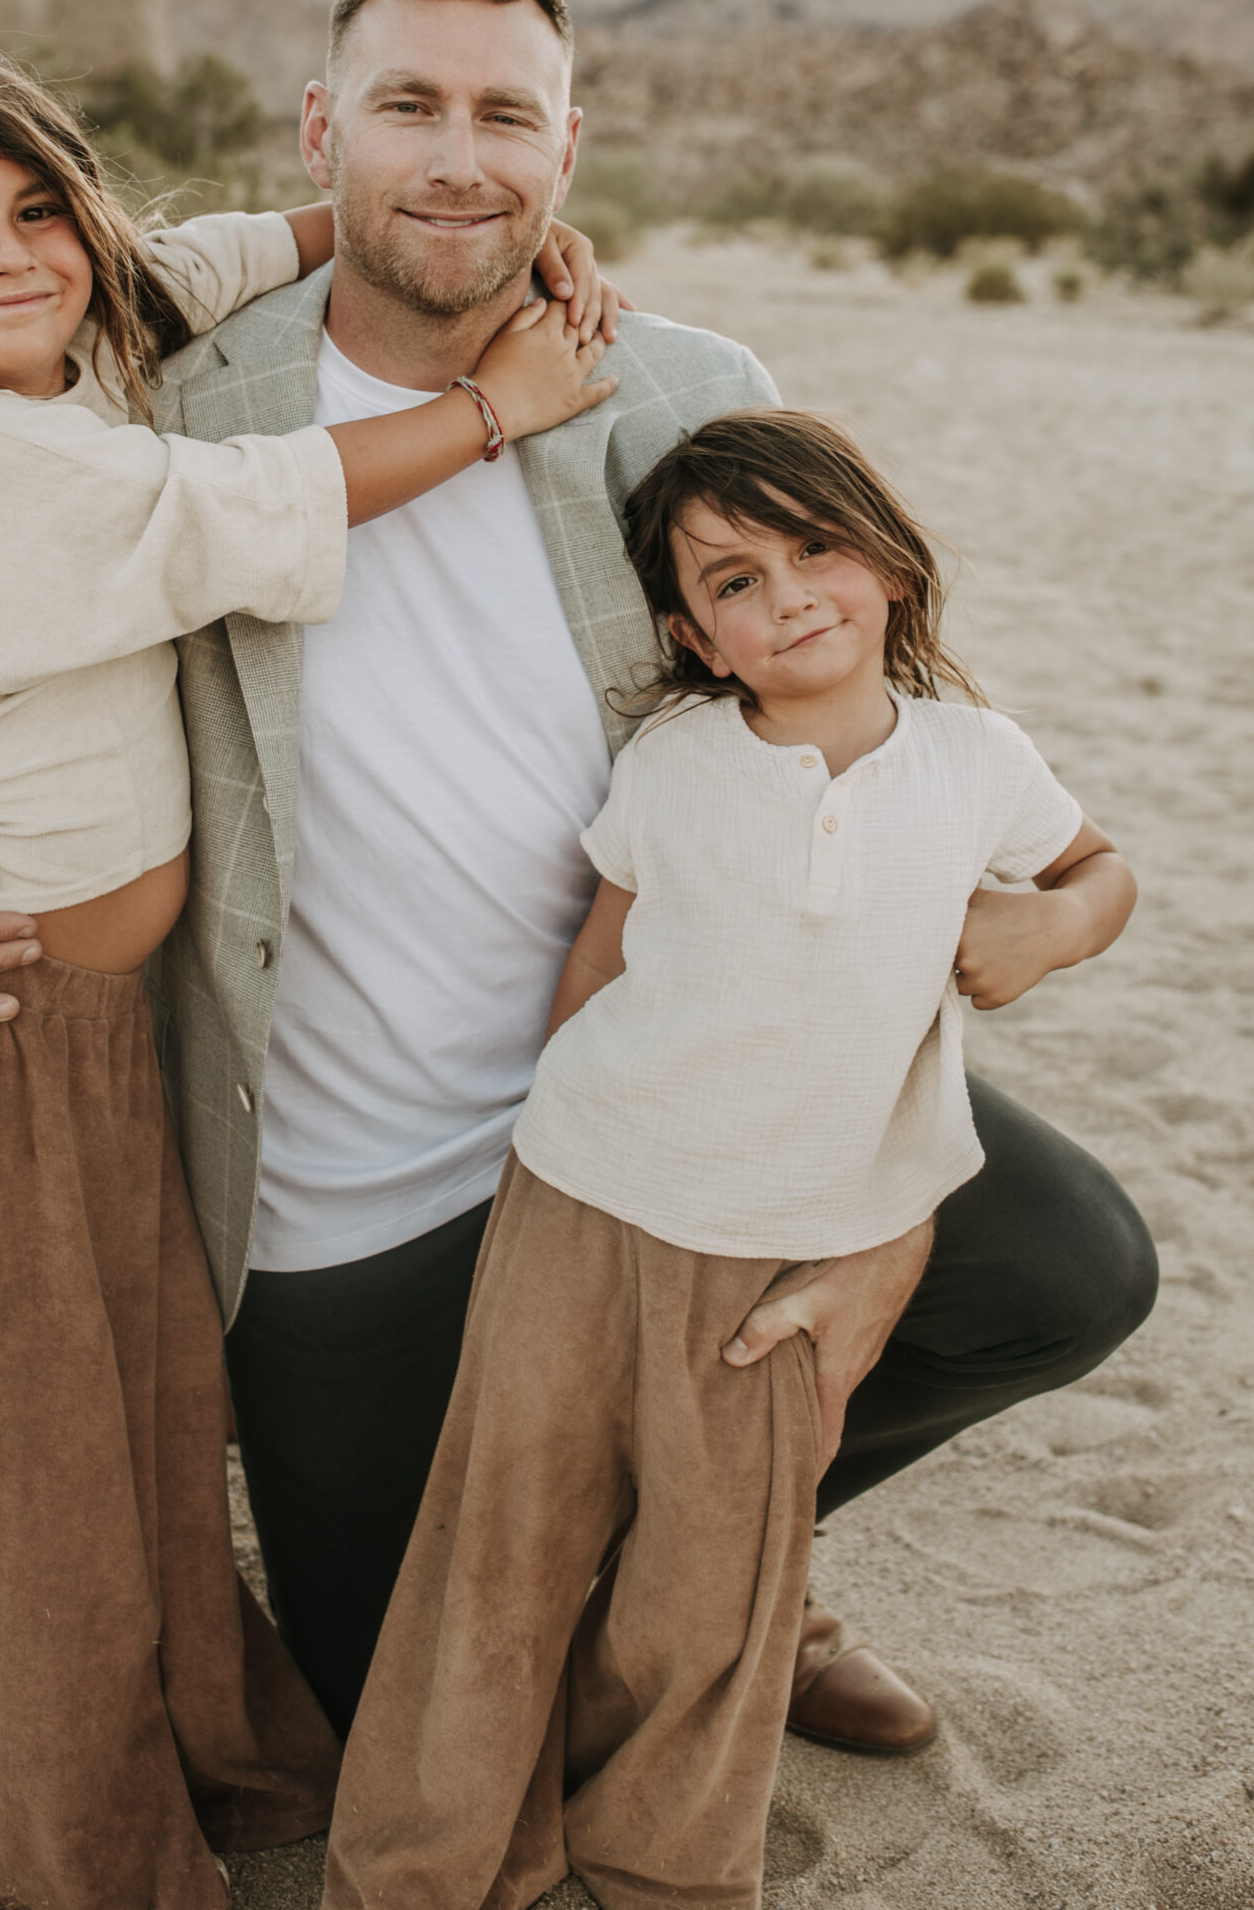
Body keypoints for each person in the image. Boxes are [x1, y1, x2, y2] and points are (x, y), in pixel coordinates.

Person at [0, 0, 1159, 1767]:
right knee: (386, 1712)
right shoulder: (162, 396)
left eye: (508, 115)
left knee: (1070, 1269)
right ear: (319, 129)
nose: (456, 156)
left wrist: (893, 1180)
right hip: (347, 1190)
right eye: (409, 105)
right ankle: (638, 1578)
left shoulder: (678, 387)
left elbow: (856, 767)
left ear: (564, 153)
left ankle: (732, 1558)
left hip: (671, 1088)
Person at [0, 37, 616, 1910]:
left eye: (37, 213)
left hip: (92, 1033)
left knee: (143, 1421)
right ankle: (47, 1846)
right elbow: (254, 512)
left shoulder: (74, 353)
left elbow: (202, 260)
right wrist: (504, 403)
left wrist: (363, 212)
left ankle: (198, 1747)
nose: (11, 257)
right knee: (36, 1463)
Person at [323, 408, 1138, 1909]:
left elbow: (1100, 868)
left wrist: (1056, 923)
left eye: (814, 547)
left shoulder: (979, 760)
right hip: (583, 1196)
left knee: (716, 1586)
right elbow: (601, 957)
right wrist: (533, 1146)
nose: (790, 596)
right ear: (700, 639)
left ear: (887, 559)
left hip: (785, 1242)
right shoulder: (680, 763)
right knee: (500, 1544)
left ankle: (664, 1871)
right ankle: (429, 1865)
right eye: (735, 583)